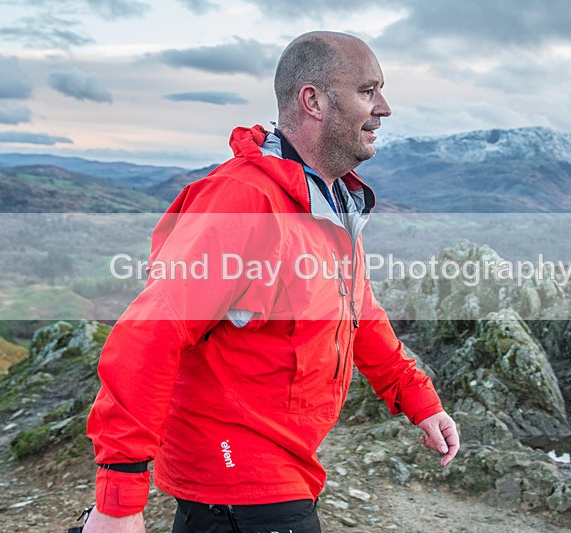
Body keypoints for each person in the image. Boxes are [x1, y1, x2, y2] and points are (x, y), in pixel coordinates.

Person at [83, 30, 459, 533]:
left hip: (282, 467)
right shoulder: (243, 202)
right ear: (314, 101)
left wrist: (420, 402)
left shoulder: (328, 201)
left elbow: (358, 315)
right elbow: (149, 333)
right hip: (237, 477)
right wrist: (119, 502)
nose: (384, 107)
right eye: (368, 91)